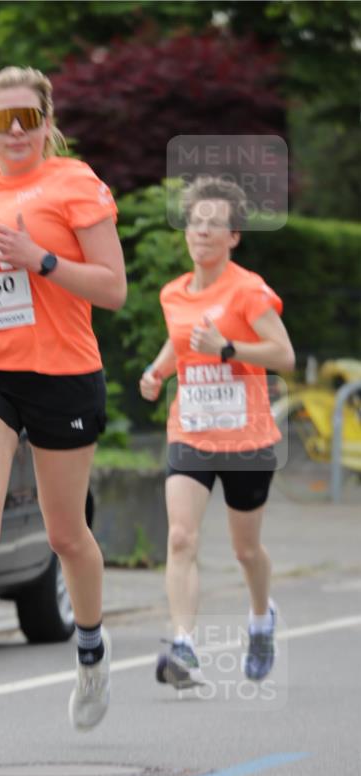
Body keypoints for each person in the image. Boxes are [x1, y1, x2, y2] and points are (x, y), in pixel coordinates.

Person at [0, 66, 127, 749]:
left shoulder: (75, 183)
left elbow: (112, 289)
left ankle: (92, 649)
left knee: (65, 534)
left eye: (28, 119)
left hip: (62, 373)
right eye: (3, 120)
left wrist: (39, 258)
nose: (16, 131)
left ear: (47, 122)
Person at [139, 176, 295, 689]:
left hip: (246, 440)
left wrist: (228, 349)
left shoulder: (249, 290)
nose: (202, 231)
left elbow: (284, 355)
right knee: (181, 537)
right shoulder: (173, 293)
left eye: (214, 224)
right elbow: (181, 339)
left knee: (245, 550)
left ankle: (261, 618)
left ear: (234, 236)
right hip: (191, 432)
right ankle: (183, 645)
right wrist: (158, 371)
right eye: (195, 222)